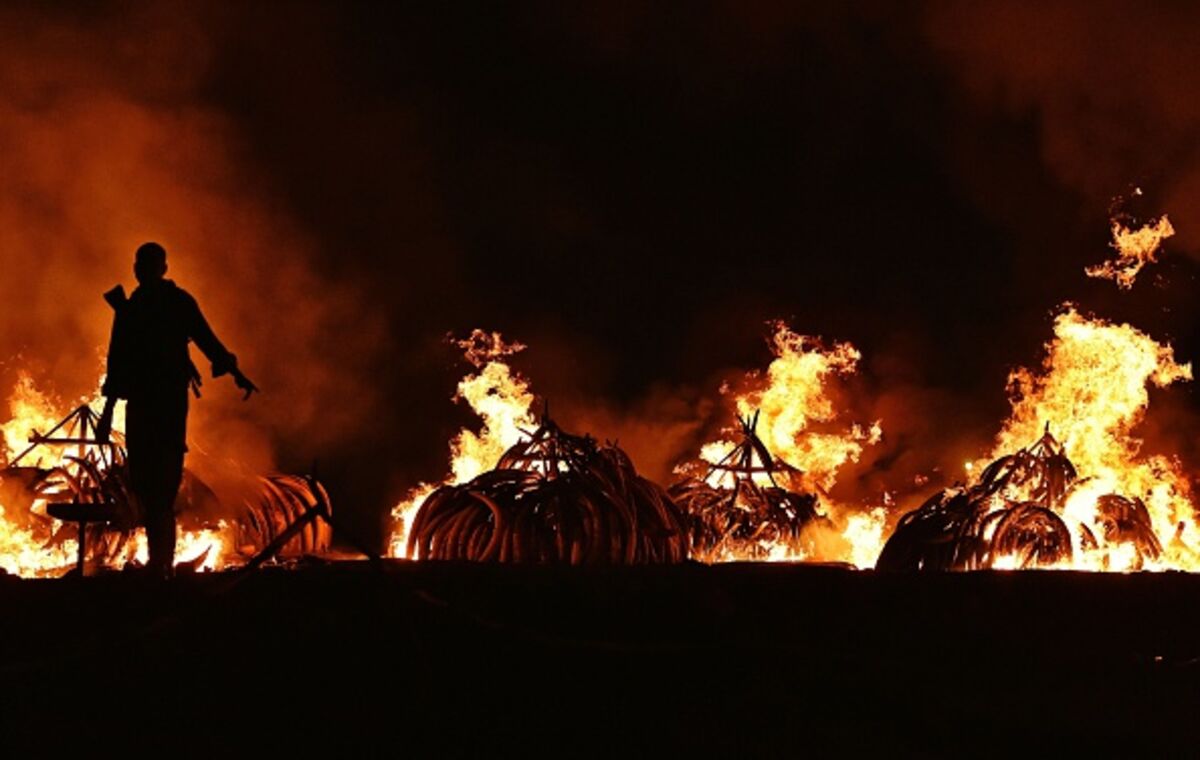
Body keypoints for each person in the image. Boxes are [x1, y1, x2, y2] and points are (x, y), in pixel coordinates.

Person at [96, 242, 257, 577]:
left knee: (163, 487)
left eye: (150, 264)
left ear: (162, 268)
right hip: (142, 405)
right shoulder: (131, 309)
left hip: (167, 406)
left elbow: (206, 339)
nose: (143, 269)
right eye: (140, 263)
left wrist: (236, 374)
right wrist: (108, 412)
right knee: (144, 484)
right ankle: (159, 566)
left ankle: (161, 568)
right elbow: (118, 362)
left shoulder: (176, 303)